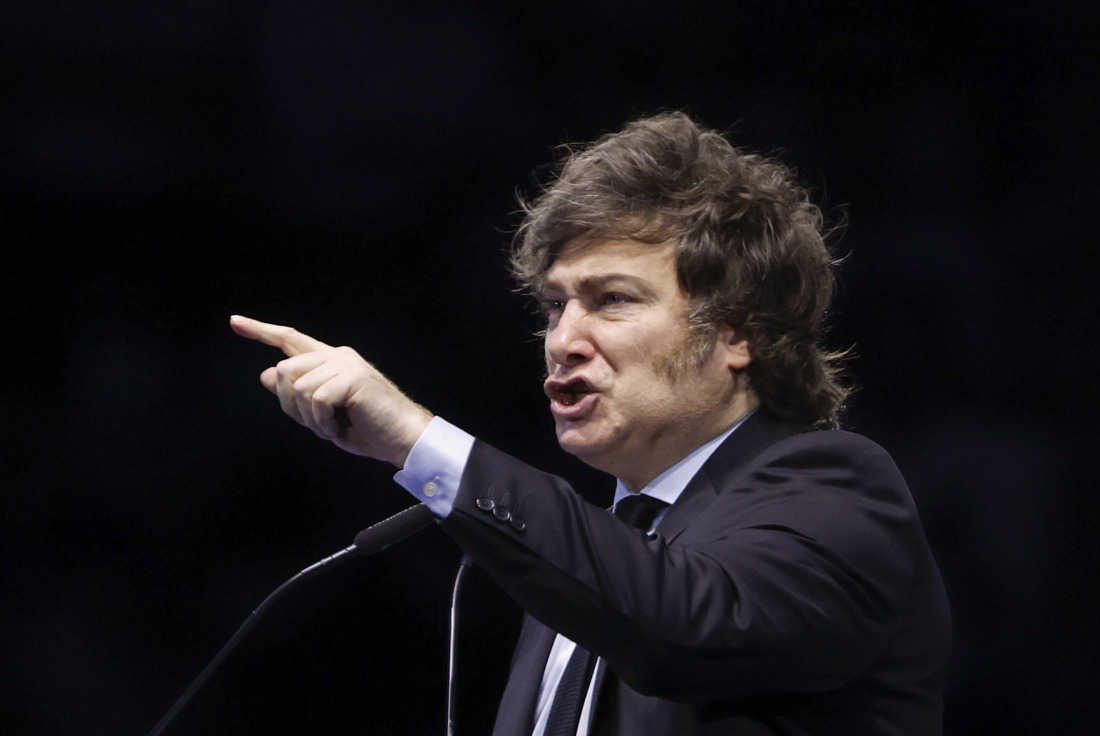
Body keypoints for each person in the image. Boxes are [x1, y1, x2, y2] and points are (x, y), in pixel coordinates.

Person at [230, 112, 951, 735]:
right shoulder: (590, 568)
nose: (563, 340)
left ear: (739, 334)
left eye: (612, 300)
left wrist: (420, 442)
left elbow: (688, 626)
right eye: (554, 306)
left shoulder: (839, 488)